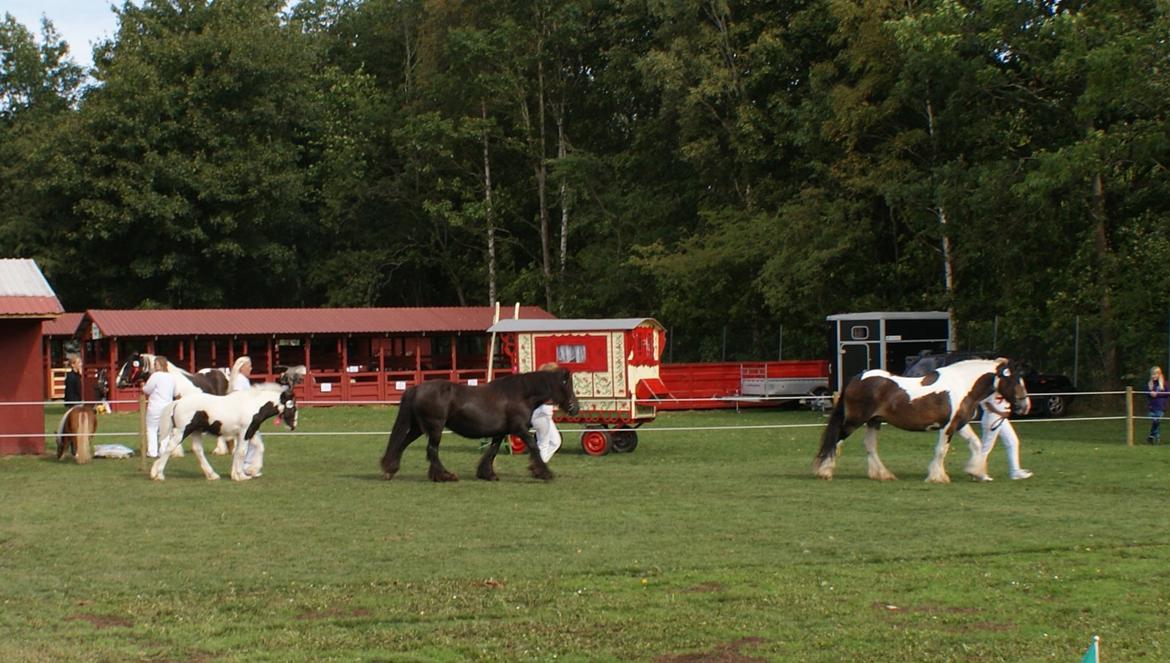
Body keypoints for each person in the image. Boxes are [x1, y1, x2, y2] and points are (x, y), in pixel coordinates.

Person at [977, 392, 1033, 480]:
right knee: (986, 447)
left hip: (1001, 418)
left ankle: (1015, 471)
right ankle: (978, 472)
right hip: (992, 417)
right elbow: (986, 403)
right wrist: (1000, 412)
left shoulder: (1002, 387)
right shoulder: (990, 388)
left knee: (1013, 442)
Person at [230, 356, 263, 475]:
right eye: (249, 366)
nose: (251, 368)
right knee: (252, 442)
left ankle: (247, 466)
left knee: (253, 442)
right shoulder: (240, 380)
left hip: (247, 416)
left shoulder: (243, 379)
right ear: (242, 368)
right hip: (244, 417)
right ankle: (246, 466)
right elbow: (237, 396)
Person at [141, 356, 178, 458]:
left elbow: (147, 390)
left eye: (155, 364)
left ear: (160, 365)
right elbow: (175, 392)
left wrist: (142, 386)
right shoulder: (171, 377)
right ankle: (163, 451)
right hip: (168, 406)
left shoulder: (155, 376)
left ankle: (152, 451)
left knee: (152, 429)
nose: (154, 366)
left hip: (155, 406)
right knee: (165, 430)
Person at [531, 363, 563, 463]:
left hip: (546, 416)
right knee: (543, 444)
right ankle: (539, 466)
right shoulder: (543, 386)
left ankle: (539, 464)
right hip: (541, 415)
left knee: (556, 442)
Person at [1147, 366, 1169, 445]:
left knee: (1157, 421)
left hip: (1160, 406)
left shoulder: (1165, 383)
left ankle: (1154, 437)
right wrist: (1150, 393)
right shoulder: (1150, 384)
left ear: (1159, 374)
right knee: (1155, 422)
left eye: (1155, 374)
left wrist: (1157, 394)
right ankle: (1153, 437)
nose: (1154, 376)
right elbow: (1146, 393)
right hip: (1152, 406)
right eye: (1152, 374)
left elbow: (1167, 393)